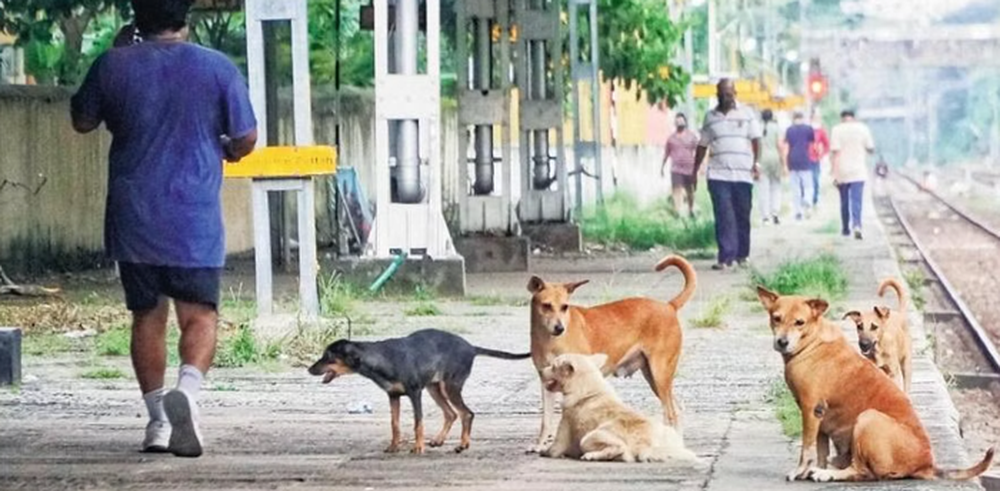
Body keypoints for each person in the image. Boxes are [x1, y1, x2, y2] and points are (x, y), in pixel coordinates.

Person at [70, 0, 258, 457]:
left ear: (138, 18)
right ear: (185, 18)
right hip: (193, 216)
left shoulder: (112, 65)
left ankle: (157, 421)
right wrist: (229, 151)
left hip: (134, 215)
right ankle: (187, 394)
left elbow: (82, 121)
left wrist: (116, 53)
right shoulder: (217, 67)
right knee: (200, 316)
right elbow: (247, 137)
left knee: (147, 316)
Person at [693, 79, 762, 271]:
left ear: (735, 94)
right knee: (723, 215)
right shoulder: (710, 117)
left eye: (729, 94)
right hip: (718, 175)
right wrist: (694, 170)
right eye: (722, 94)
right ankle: (725, 257)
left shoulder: (747, 114)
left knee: (742, 215)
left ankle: (742, 255)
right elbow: (702, 145)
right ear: (717, 94)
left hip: (743, 174)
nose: (726, 97)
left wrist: (756, 163)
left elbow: (756, 140)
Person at [830, 109, 875, 240]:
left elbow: (835, 152)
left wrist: (833, 172)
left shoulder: (836, 130)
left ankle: (845, 228)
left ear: (842, 118)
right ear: (853, 118)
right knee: (857, 200)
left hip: (842, 170)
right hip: (858, 170)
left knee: (844, 201)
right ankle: (857, 225)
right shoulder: (863, 128)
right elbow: (871, 148)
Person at [661, 113, 700, 217]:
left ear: (685, 122)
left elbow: (698, 150)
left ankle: (691, 210)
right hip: (676, 169)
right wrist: (662, 167)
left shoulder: (691, 137)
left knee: (690, 190)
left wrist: (699, 166)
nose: (680, 122)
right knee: (677, 190)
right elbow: (666, 153)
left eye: (682, 120)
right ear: (675, 123)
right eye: (678, 120)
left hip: (689, 169)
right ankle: (677, 212)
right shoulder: (671, 139)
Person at [783, 112, 815, 220]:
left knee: (795, 187)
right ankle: (807, 200)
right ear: (802, 117)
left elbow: (786, 146)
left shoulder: (789, 130)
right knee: (808, 185)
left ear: (793, 118)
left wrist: (785, 164)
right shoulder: (808, 129)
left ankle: (798, 212)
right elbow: (812, 144)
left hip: (792, 159)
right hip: (805, 158)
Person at [757, 109, 785, 224]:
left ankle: (765, 216)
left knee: (763, 188)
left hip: (761, 159)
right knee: (776, 186)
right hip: (775, 159)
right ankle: (775, 213)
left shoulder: (757, 127)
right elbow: (780, 145)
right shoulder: (776, 127)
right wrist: (784, 163)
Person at [809, 113, 830, 206]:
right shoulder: (807, 129)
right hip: (805, 158)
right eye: (814, 118)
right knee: (807, 180)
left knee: (815, 179)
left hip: (816, 158)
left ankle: (815, 198)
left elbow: (827, 144)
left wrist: (822, 154)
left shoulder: (821, 131)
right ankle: (807, 198)